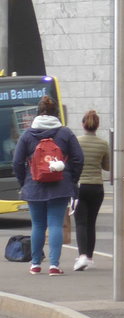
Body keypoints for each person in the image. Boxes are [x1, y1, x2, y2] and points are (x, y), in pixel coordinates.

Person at [12, 94, 84, 276]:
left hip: (33, 185)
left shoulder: (27, 134)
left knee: (37, 225)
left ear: (38, 112)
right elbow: (78, 158)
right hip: (60, 185)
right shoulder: (65, 133)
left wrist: (24, 181)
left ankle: (35, 264)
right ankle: (54, 265)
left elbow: (17, 162)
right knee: (55, 225)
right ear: (56, 113)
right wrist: (72, 179)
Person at [73, 109, 111, 271]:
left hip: (80, 186)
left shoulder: (76, 142)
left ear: (83, 124)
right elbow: (107, 167)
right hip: (97, 187)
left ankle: (81, 256)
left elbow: (72, 163)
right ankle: (89, 257)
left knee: (80, 222)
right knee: (91, 223)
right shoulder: (103, 144)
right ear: (97, 126)